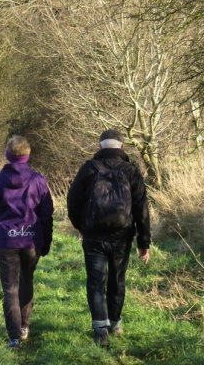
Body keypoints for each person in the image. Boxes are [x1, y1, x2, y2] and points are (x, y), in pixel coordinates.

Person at [66, 129, 151, 347]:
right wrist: (144, 243)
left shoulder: (89, 168)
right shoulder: (131, 170)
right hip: (122, 236)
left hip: (93, 236)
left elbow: (73, 202)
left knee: (96, 281)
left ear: (100, 146)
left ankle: (100, 329)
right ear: (122, 146)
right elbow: (142, 209)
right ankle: (115, 323)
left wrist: (82, 226)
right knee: (117, 280)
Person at [0, 135, 54, 350]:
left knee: (10, 288)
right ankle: (24, 327)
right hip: (32, 240)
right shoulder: (39, 180)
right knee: (26, 280)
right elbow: (47, 214)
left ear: (7, 155)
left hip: (6, 241)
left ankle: (13, 337)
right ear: (27, 155)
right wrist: (46, 241)